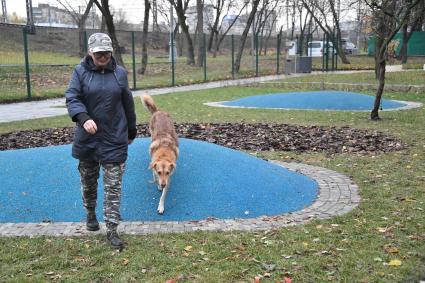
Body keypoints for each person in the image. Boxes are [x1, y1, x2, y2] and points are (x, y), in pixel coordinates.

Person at [65, 33, 137, 250]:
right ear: (90, 53)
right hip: (88, 138)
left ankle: (112, 229)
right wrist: (83, 118)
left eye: (106, 52)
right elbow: (72, 98)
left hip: (115, 137)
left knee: (113, 186)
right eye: (98, 53)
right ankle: (90, 213)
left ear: (111, 52)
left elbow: (128, 103)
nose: (103, 56)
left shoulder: (120, 73)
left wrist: (131, 131)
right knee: (89, 182)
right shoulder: (80, 72)